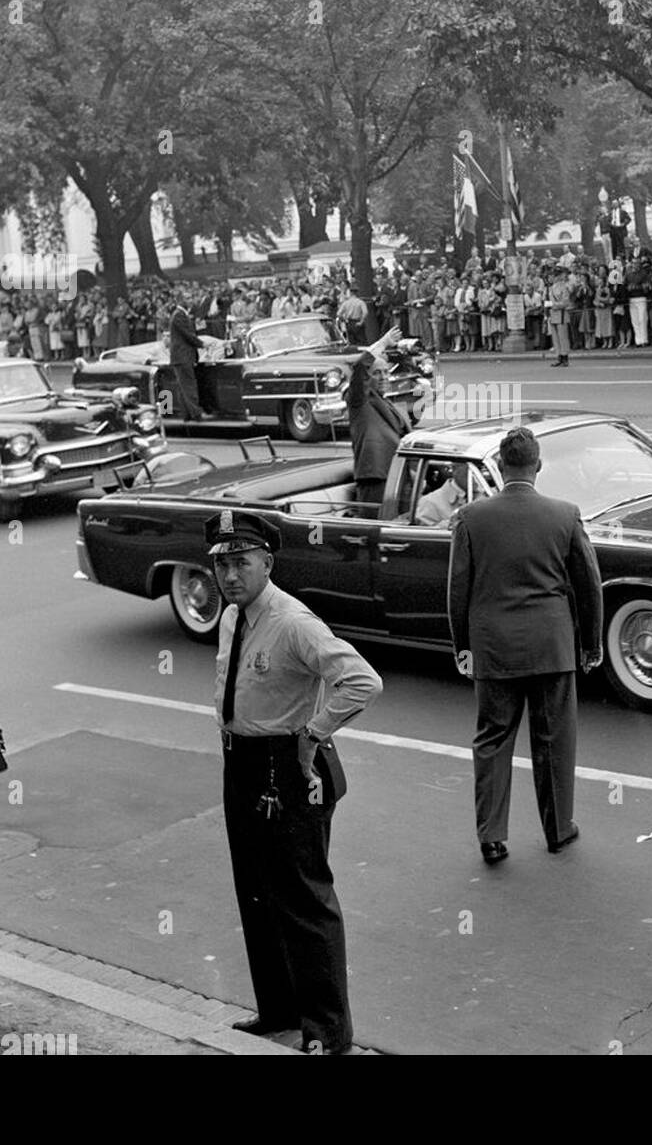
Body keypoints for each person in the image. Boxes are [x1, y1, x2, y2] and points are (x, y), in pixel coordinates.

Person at [207, 510, 380, 1055]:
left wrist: (315, 731)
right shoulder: (233, 616)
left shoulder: (292, 621)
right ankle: (278, 1008)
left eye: (242, 563)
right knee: (256, 890)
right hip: (241, 762)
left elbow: (361, 681)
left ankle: (327, 1031)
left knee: (304, 899)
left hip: (286, 767)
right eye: (222, 565)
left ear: (267, 563)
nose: (230, 575)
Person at [448, 427, 603, 866]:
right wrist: (590, 644)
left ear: (499, 466)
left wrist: (464, 646)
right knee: (554, 739)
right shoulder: (565, 514)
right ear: (538, 466)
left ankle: (493, 837)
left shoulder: (472, 518)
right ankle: (558, 831)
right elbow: (588, 585)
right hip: (553, 647)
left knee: (493, 739)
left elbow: (458, 590)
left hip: (494, 649)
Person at [347, 327, 408, 506]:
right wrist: (383, 342)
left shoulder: (389, 404)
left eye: (386, 372)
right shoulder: (360, 401)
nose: (383, 377)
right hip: (375, 478)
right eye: (376, 373)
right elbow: (360, 366)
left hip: (398, 476)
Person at [168, 295, 207, 420]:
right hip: (183, 356)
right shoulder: (179, 315)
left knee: (183, 386)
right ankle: (196, 413)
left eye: (191, 298)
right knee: (189, 385)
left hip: (181, 356)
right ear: (181, 301)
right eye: (188, 299)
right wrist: (202, 344)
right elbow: (187, 334)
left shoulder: (181, 314)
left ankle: (186, 414)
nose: (191, 300)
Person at [414, 461, 469, 526]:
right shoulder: (429, 502)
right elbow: (422, 534)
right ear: (455, 469)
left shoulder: (481, 497)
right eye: (469, 471)